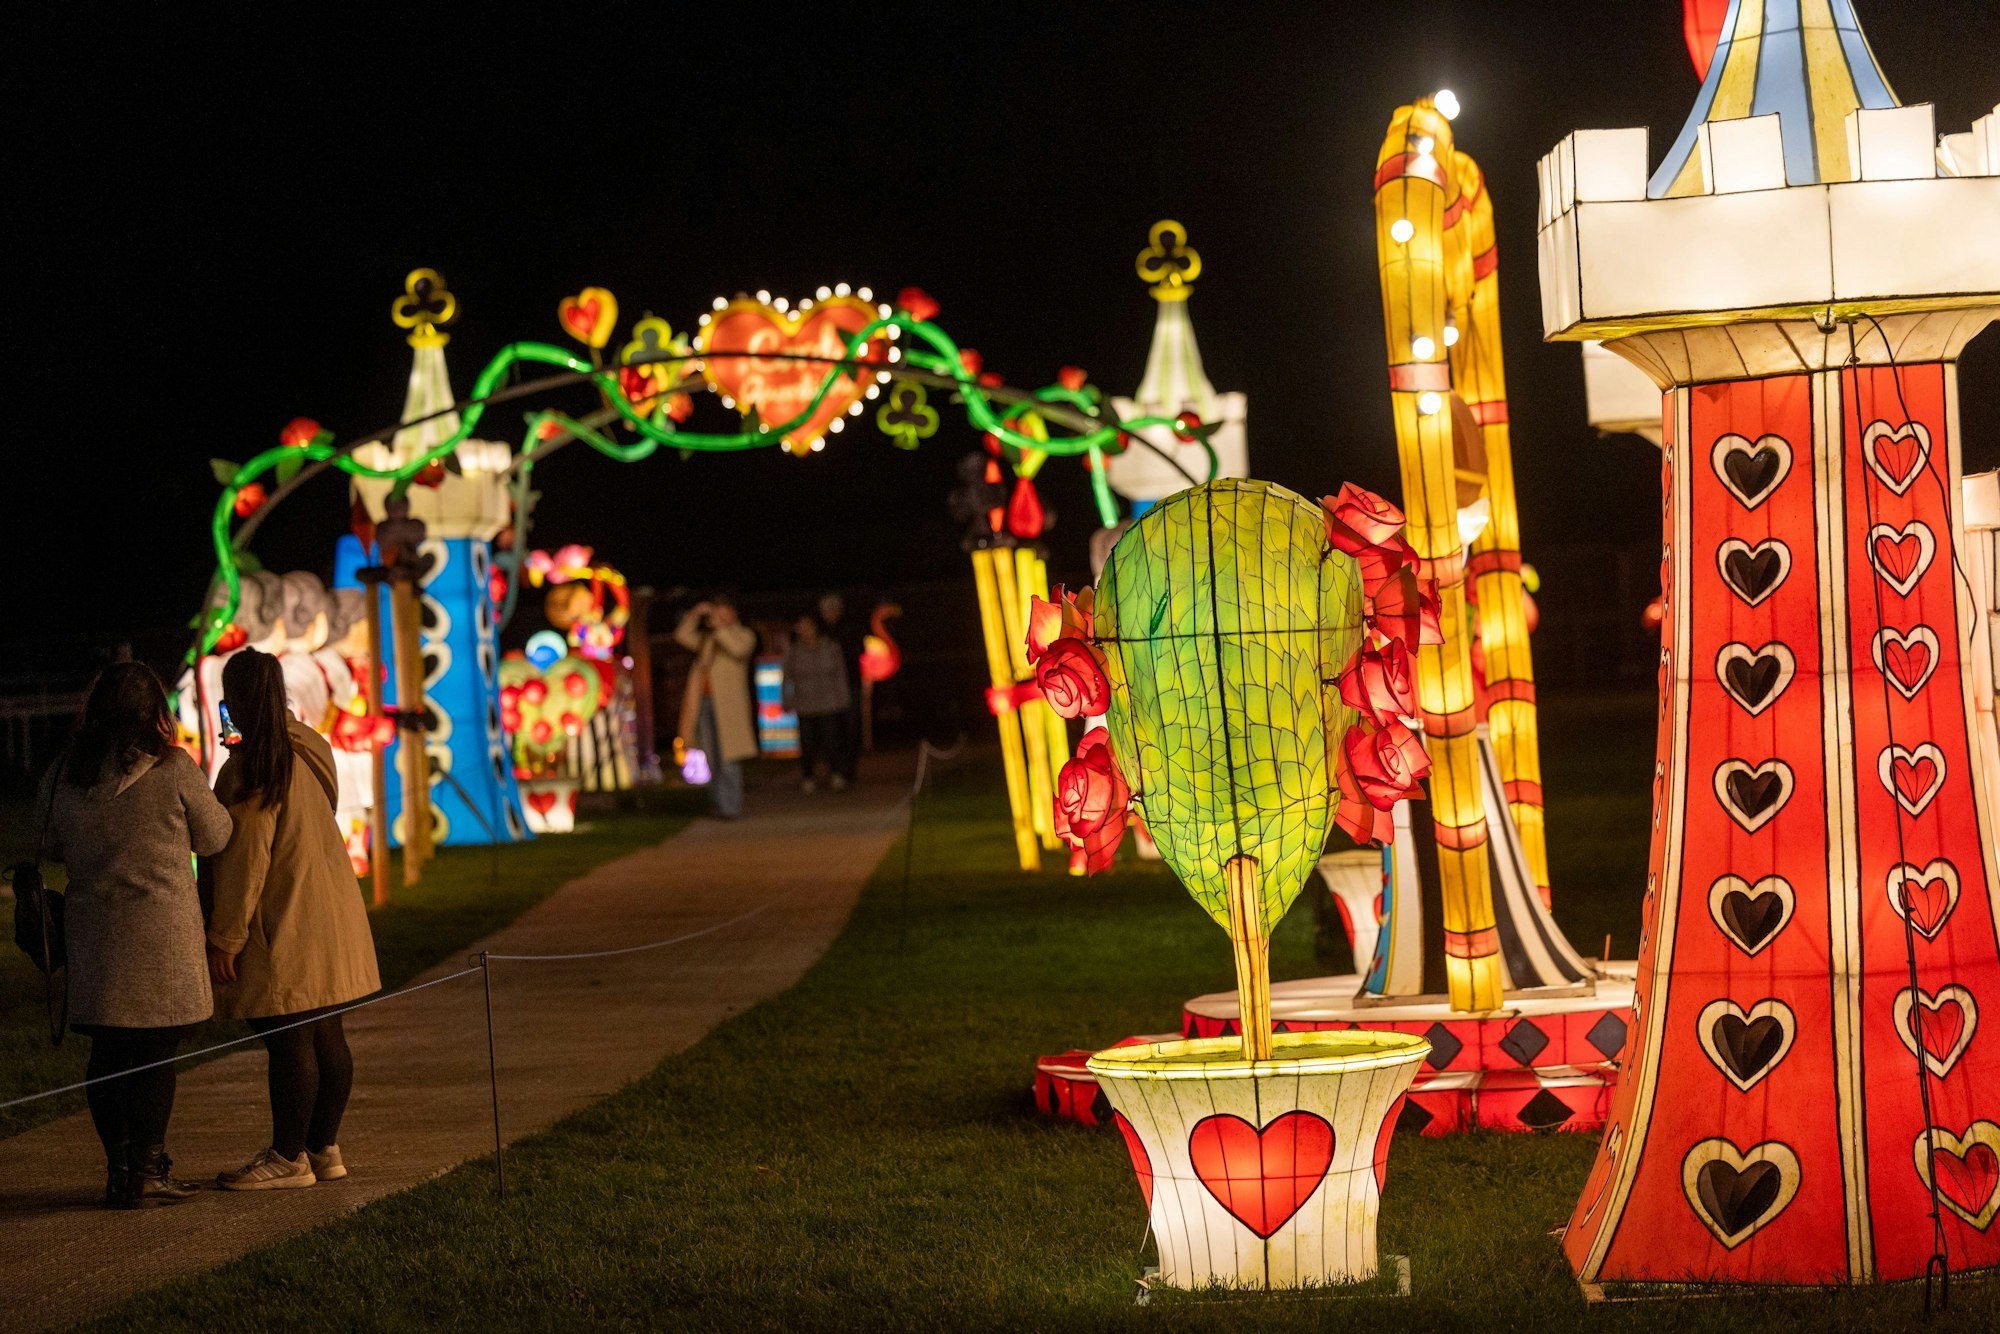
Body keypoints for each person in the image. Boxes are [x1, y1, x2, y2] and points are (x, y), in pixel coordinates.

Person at [38, 662, 233, 1207]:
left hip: (94, 935)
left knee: (107, 1052)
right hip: (162, 937)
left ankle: (118, 1166)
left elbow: (49, 844)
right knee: (154, 1053)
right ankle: (149, 1167)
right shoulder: (173, 769)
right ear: (155, 715)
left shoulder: (64, 774)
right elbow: (216, 837)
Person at [208, 648, 382, 1190]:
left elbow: (246, 859)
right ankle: (323, 1146)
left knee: (288, 1037)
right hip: (330, 907)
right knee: (326, 1031)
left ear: (234, 699)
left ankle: (288, 1157)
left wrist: (226, 937)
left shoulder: (254, 766)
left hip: (285, 913)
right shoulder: (309, 747)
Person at [674, 596, 757, 818]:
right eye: (715, 613)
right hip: (703, 703)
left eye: (723, 613)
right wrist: (695, 614)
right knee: (710, 756)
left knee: (729, 758)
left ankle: (731, 807)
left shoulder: (743, 636)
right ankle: (719, 803)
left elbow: (738, 650)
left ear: (734, 614)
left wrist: (719, 628)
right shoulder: (706, 640)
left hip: (729, 708)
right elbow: (681, 635)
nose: (717, 618)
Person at [782, 615, 853, 793]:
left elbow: (840, 675)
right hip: (805, 705)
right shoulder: (794, 651)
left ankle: (837, 773)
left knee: (832, 741)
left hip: (829, 703)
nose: (804, 630)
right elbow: (787, 679)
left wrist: (843, 699)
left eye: (807, 626)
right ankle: (808, 776)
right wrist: (787, 701)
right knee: (807, 743)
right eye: (800, 627)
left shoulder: (830, 647)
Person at [817, 591, 867, 781]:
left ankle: (849, 767)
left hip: (850, 684)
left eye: (833, 609)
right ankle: (836, 768)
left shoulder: (851, 629)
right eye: (826, 610)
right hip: (827, 688)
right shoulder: (820, 632)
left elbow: (860, 652)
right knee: (830, 729)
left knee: (851, 726)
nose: (830, 613)